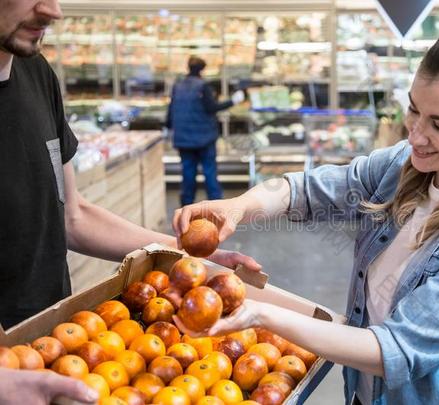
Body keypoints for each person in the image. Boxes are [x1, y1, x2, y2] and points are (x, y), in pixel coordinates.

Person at [173, 27, 439, 405]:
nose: (415, 136)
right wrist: (239, 206)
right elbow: (309, 190)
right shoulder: (402, 165)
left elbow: (395, 349)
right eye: (414, 109)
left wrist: (260, 315)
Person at [0, 1, 259, 403]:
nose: (53, 11)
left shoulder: (37, 73)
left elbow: (74, 215)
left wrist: (180, 253)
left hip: (55, 345)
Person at [166, 56, 245, 205]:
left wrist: (168, 128)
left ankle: (186, 209)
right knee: (210, 173)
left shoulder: (178, 87)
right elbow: (212, 108)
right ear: (202, 69)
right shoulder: (203, 86)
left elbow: (171, 111)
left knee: (188, 174)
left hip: (183, 139)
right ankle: (217, 207)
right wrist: (233, 101)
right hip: (205, 138)